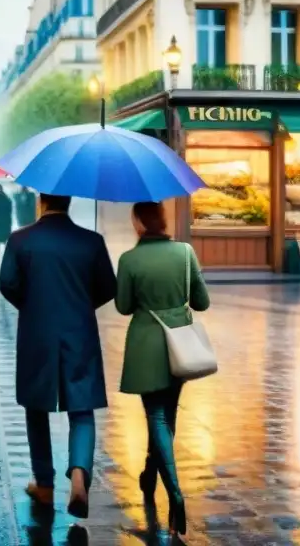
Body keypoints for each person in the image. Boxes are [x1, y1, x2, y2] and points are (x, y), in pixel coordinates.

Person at [0, 192, 117, 519]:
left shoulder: (21, 240)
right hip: (79, 332)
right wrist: (80, 305)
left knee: (36, 407)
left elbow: (7, 283)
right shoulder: (91, 242)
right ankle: (79, 473)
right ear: (68, 202)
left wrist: (33, 305)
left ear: (41, 201)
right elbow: (109, 286)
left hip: (37, 334)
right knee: (82, 408)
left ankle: (45, 484)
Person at [115, 201, 210, 538]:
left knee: (155, 416)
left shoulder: (129, 259)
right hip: (180, 342)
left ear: (140, 223)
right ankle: (149, 472)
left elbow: (123, 306)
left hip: (146, 345)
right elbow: (202, 302)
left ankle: (175, 494)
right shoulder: (184, 253)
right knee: (168, 415)